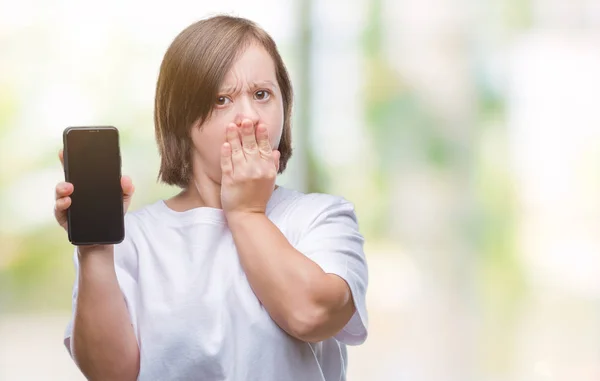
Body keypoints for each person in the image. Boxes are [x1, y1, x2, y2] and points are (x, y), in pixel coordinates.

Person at [54, 15, 368, 381]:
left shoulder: (322, 217)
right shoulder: (132, 239)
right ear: (181, 118)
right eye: (222, 99)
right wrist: (94, 251)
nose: (249, 117)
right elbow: (110, 375)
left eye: (262, 94)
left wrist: (247, 211)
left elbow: (312, 315)